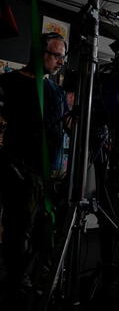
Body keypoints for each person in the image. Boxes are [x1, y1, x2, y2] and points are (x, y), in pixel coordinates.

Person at [0, 32, 69, 304]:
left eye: (63, 56)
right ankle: (15, 283)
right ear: (39, 54)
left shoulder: (57, 91)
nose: (60, 61)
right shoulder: (9, 83)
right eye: (56, 55)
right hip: (19, 171)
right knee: (18, 231)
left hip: (49, 174)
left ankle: (37, 280)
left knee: (45, 233)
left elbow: (61, 128)